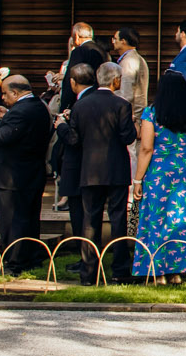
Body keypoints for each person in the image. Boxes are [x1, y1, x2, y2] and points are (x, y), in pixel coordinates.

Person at [57, 62, 139, 283]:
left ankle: (88, 273)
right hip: (116, 170)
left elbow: (73, 140)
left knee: (90, 221)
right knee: (118, 219)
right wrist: (132, 125)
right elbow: (128, 137)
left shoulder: (81, 106)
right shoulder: (121, 105)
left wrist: (61, 126)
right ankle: (120, 270)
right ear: (115, 80)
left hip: (90, 170)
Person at [131, 71, 186, 283]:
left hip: (158, 174)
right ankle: (177, 271)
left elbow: (146, 148)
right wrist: (181, 147)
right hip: (182, 172)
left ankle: (157, 271)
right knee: (178, 219)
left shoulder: (151, 113)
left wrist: (137, 180)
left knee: (156, 220)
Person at [0, 74, 52, 271]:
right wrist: (7, 115)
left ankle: (14, 262)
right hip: (31, 173)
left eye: (5, 94)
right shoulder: (38, 106)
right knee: (29, 219)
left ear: (15, 92)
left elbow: (4, 136)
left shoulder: (21, 112)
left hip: (12, 176)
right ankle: (31, 258)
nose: (3, 98)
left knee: (12, 222)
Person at [110, 27, 149, 114]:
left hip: (131, 115)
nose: (113, 42)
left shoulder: (129, 61)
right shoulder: (136, 58)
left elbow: (126, 94)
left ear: (123, 41)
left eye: (115, 39)